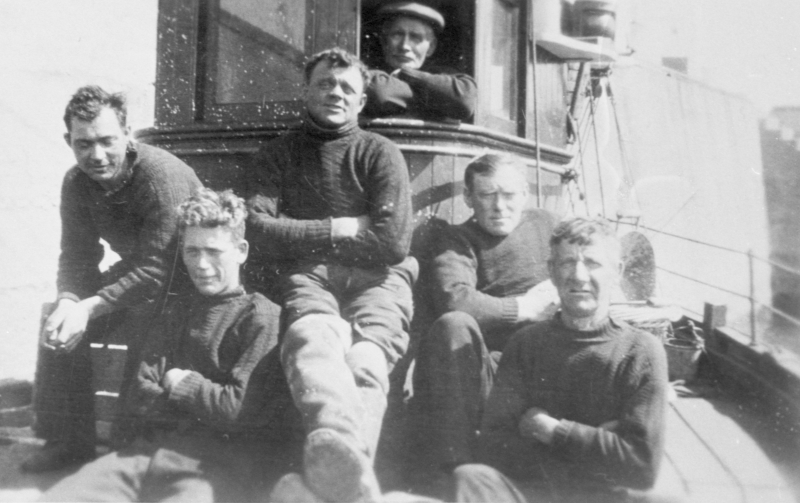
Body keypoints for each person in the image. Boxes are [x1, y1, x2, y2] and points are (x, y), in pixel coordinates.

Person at [40, 189, 295, 502]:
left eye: (213, 251)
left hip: (211, 467)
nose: (201, 264)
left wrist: (180, 381)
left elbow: (237, 410)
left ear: (241, 251)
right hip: (141, 457)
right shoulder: (177, 310)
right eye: (192, 251)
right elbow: (140, 393)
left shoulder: (262, 317)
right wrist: (205, 403)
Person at [246, 48, 417, 502]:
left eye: (347, 88)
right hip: (311, 277)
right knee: (312, 342)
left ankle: (334, 478)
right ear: (307, 90)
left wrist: (298, 232)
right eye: (325, 83)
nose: (335, 93)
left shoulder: (379, 153)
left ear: (362, 102)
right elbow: (258, 229)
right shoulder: (279, 154)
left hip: (379, 279)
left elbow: (393, 243)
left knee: (367, 362)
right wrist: (337, 227)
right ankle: (353, 480)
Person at [24, 85, 203, 473]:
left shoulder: (159, 176)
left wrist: (90, 306)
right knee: (58, 319)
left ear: (127, 133)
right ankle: (69, 442)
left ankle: (129, 448)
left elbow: (159, 270)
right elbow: (77, 257)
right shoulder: (76, 182)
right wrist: (71, 302)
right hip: (141, 274)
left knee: (142, 319)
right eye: (83, 143)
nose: (97, 155)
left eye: (107, 141)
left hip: (189, 279)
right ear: (68, 141)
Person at [452, 217, 669, 503]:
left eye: (592, 263)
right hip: (531, 494)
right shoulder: (526, 344)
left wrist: (551, 430)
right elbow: (494, 446)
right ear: (551, 272)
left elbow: (641, 467)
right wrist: (597, 445)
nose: (579, 275)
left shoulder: (641, 352)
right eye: (567, 263)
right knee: (470, 477)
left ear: (617, 272)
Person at [411, 154, 558, 480]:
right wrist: (524, 307)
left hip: (550, 361)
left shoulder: (546, 224)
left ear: (524, 195)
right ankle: (457, 470)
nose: (500, 206)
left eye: (509, 195)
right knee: (453, 325)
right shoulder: (456, 239)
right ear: (468, 198)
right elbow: (455, 298)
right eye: (487, 195)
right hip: (492, 370)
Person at [363, 1, 476, 122]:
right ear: (384, 42)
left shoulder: (444, 74)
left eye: (415, 38)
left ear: (431, 47)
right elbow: (378, 92)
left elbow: (464, 100)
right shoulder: (368, 74)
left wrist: (404, 74)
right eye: (397, 35)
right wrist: (439, 101)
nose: (404, 46)